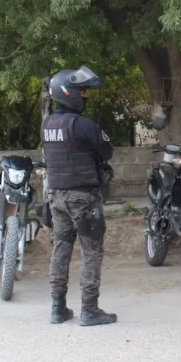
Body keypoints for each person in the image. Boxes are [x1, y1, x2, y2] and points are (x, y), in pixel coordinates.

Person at [41, 66, 117, 327]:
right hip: (82, 199)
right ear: (67, 92)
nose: (84, 96)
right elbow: (107, 152)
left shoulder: (47, 124)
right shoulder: (82, 124)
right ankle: (89, 309)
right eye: (81, 91)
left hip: (56, 198)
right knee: (91, 251)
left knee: (61, 248)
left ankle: (57, 308)